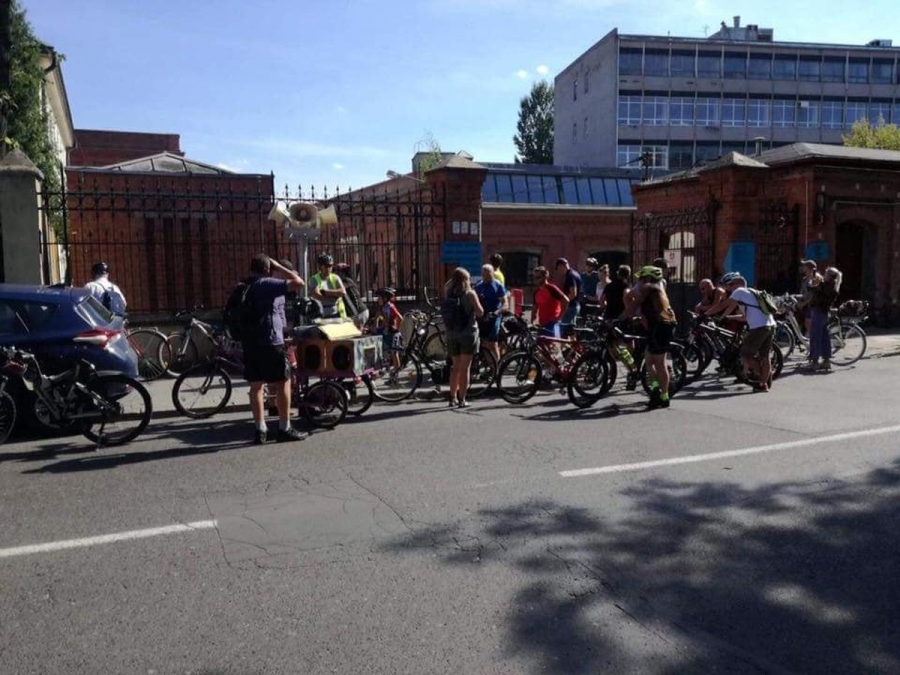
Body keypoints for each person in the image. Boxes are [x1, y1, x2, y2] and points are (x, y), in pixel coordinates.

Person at [240, 254, 308, 444]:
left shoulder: (245, 285)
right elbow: (299, 282)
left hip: (250, 342)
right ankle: (284, 428)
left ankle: (260, 429)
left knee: (256, 386)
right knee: (283, 382)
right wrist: (278, 266)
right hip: (270, 342)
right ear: (267, 269)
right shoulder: (267, 284)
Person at [626, 266, 677, 409]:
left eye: (641, 278)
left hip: (661, 327)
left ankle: (664, 396)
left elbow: (634, 304)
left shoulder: (648, 287)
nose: (640, 281)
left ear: (648, 278)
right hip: (658, 326)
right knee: (648, 360)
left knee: (659, 363)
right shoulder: (656, 287)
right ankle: (655, 389)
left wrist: (621, 318)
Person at [717, 273, 776, 392]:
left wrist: (714, 316)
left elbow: (725, 305)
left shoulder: (739, 291)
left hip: (758, 327)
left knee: (745, 356)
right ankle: (763, 384)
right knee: (765, 357)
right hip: (770, 325)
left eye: (731, 284)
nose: (729, 287)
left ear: (739, 284)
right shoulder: (752, 292)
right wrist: (730, 317)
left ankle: (763, 377)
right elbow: (745, 317)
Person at [443, 267, 484, 409]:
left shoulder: (448, 293)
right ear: (466, 279)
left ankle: (452, 397)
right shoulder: (470, 294)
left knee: (455, 367)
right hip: (468, 333)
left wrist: (454, 279)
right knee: (465, 368)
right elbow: (480, 312)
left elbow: (447, 285)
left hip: (451, 333)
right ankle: (462, 399)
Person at [805, 266, 841, 372]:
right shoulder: (833, 287)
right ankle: (826, 361)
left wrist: (811, 280)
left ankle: (814, 362)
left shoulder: (824, 286)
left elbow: (810, 289)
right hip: (824, 314)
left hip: (818, 313)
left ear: (829, 276)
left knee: (815, 337)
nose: (824, 275)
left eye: (826, 273)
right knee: (825, 338)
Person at [474, 264, 508, 364]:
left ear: (493, 273)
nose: (486, 277)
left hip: (494, 317)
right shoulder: (478, 286)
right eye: (484, 274)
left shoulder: (497, 285)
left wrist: (497, 312)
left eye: (489, 274)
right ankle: (489, 365)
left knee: (492, 343)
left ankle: (496, 367)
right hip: (481, 317)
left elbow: (505, 304)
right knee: (482, 343)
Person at [531, 266, 568, 338]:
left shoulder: (551, 288)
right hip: (542, 324)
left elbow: (566, 300)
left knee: (554, 343)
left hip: (553, 323)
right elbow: (534, 308)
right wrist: (532, 322)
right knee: (540, 343)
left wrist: (559, 317)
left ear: (545, 277)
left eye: (538, 277)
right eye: (534, 278)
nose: (535, 280)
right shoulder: (536, 292)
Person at [372, 287, 403, 372]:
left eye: (379, 297)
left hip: (392, 333)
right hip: (385, 332)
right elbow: (376, 318)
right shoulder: (381, 308)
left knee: (394, 353)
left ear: (385, 298)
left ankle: (396, 373)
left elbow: (400, 318)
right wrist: (375, 327)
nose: (377, 299)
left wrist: (397, 328)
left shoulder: (390, 307)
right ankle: (389, 370)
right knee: (386, 352)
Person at [309, 253, 347, 319]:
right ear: (320, 267)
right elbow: (317, 295)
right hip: (322, 315)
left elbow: (343, 292)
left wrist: (325, 292)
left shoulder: (335, 277)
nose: (329, 268)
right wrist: (335, 296)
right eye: (326, 266)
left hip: (337, 314)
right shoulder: (314, 279)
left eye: (330, 266)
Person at [555, 257, 582, 333]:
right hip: (576, 305)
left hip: (571, 307)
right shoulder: (575, 274)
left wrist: (564, 302)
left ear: (561, 266)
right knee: (571, 330)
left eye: (558, 269)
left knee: (564, 330)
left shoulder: (570, 276)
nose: (559, 272)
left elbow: (573, 294)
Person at [798, 259, 824, 335]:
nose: (802, 267)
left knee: (808, 322)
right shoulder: (805, 278)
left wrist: (803, 303)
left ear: (809, 268)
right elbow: (803, 293)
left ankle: (814, 338)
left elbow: (813, 295)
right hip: (807, 304)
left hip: (814, 304)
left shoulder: (815, 278)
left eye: (804, 266)